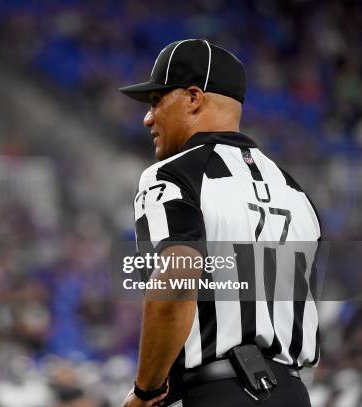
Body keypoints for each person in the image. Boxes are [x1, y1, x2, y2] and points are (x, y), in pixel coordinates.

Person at [119, 39, 321, 406]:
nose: (148, 118)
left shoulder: (171, 175)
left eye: (157, 101)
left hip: (218, 392)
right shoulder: (296, 191)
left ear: (194, 98)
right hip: (294, 393)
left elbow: (177, 280)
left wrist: (146, 390)